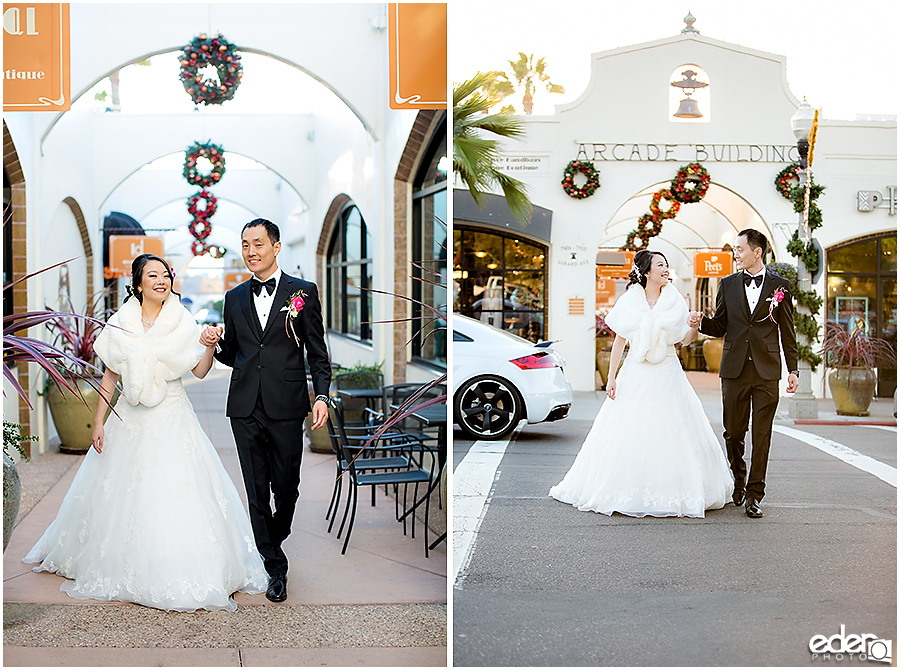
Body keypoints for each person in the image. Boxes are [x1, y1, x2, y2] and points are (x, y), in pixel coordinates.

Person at [24, 254, 268, 611]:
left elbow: (199, 372)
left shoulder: (183, 321)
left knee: (175, 490)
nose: (161, 280)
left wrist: (209, 345)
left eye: (165, 275)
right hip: (130, 418)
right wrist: (98, 422)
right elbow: (110, 376)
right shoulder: (121, 322)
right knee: (121, 493)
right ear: (138, 285)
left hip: (172, 416)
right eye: (152, 275)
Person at [550, 249, 734, 517]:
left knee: (674, 429)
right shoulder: (630, 301)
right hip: (636, 371)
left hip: (668, 372)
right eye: (660, 265)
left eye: (667, 264)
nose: (666, 269)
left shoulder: (676, 301)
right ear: (646, 271)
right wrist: (611, 377)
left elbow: (684, 341)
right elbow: (620, 341)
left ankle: (675, 489)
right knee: (628, 429)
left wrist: (693, 325)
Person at [203, 218, 331, 603]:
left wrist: (321, 396)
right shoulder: (234, 297)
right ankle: (275, 566)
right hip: (245, 406)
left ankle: (272, 538)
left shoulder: (303, 293)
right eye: (245, 245)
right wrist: (213, 341)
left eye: (258, 243)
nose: (251, 251)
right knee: (256, 489)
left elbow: (318, 355)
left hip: (287, 406)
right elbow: (234, 354)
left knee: (286, 487)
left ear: (276, 247)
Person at [689, 228, 798, 518]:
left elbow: (787, 331)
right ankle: (738, 478)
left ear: (756, 252)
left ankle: (754, 494)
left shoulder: (781, 286)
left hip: (767, 372)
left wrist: (794, 369)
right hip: (735, 370)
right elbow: (720, 326)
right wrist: (701, 323)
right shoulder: (727, 284)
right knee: (734, 433)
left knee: (762, 435)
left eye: (739, 249)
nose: (735, 253)